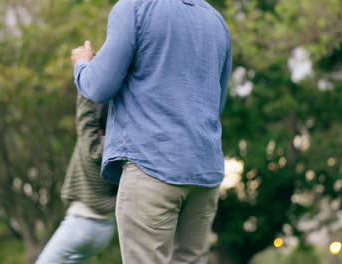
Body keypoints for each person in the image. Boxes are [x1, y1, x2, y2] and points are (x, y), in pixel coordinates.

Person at [71, 0, 232, 263]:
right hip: (204, 172)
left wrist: (82, 65)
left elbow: (99, 88)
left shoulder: (133, 8)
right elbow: (217, 102)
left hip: (151, 164)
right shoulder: (216, 21)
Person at [36, 95, 117, 264]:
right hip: (105, 229)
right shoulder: (121, 155)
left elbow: (84, 112)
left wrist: (81, 72)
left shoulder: (91, 146)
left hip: (82, 223)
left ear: (98, 124)